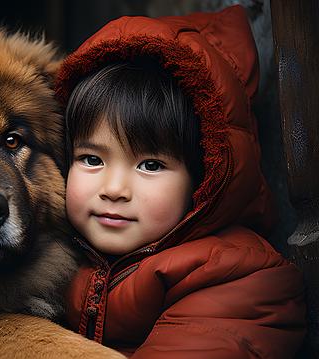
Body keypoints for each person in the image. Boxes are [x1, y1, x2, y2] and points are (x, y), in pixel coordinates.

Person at [55, 5, 306, 358]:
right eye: (92, 159)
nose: (113, 190)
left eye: (151, 165)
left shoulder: (238, 278)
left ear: (203, 176)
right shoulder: (55, 259)